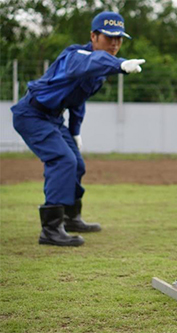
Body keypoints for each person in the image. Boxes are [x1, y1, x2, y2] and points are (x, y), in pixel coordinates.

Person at [10, 11, 146, 247]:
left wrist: (75, 131)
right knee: (63, 160)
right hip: (31, 114)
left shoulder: (100, 69)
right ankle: (50, 230)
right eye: (108, 37)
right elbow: (90, 62)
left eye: (119, 38)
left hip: (53, 118)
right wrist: (121, 64)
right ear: (93, 36)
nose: (114, 43)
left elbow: (77, 101)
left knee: (77, 164)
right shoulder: (75, 56)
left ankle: (71, 218)